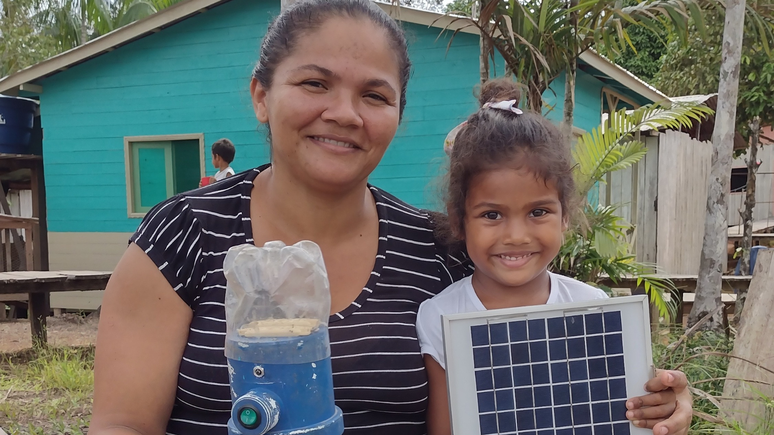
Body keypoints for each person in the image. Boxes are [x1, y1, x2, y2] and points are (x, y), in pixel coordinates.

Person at [88, 2, 692, 435]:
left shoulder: (444, 252)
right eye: (314, 82)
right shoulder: (185, 234)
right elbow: (119, 423)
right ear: (261, 96)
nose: (344, 113)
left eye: (374, 95)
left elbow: (553, 382)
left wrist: (651, 397)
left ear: (397, 114)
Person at [417, 79, 692, 435]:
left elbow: (631, 412)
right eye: (491, 215)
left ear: (565, 216)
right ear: (459, 222)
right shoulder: (439, 316)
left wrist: (661, 408)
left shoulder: (593, 306)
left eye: (538, 212)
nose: (516, 236)